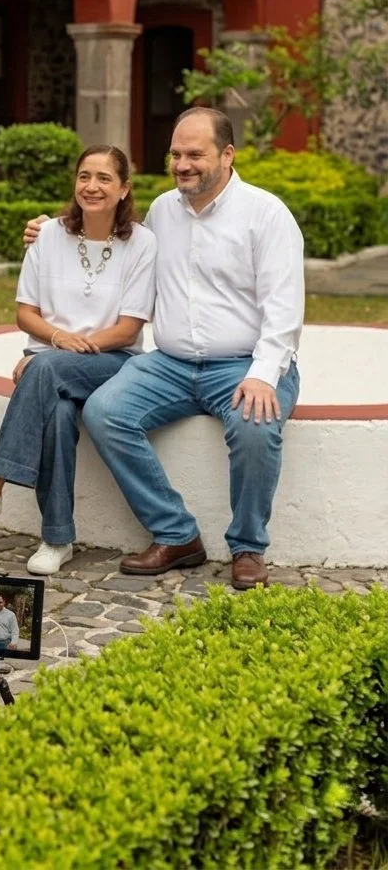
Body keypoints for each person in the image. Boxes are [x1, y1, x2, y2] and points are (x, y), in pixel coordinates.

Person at [26, 109, 304, 590]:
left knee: (256, 425)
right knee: (105, 411)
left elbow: (284, 306)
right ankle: (177, 535)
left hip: (244, 364)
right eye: (176, 154)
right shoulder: (162, 212)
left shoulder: (266, 214)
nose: (183, 164)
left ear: (227, 155)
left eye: (195, 154)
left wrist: (263, 374)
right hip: (170, 364)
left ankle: (247, 547)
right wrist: (52, 229)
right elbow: (111, 249)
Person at [0, 146, 157, 576]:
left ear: (124, 189)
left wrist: (53, 355)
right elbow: (26, 314)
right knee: (58, 414)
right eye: (84, 176)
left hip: (111, 362)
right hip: (52, 361)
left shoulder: (142, 243)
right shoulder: (48, 236)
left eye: (103, 178)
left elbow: (128, 330)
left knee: (42, 369)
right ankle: (58, 539)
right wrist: (57, 342)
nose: (91, 187)